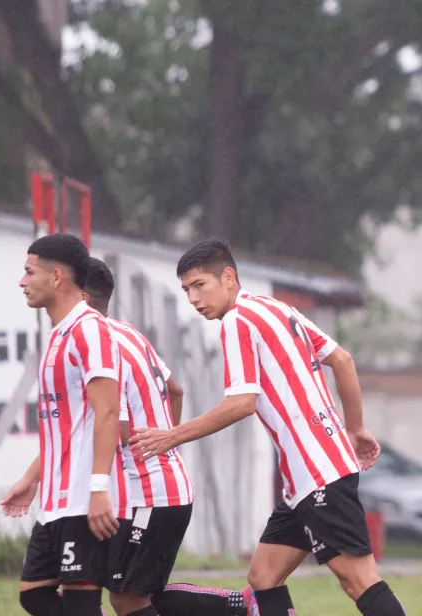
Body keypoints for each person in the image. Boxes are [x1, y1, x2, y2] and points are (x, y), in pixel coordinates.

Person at [131, 239, 403, 616]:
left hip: (318, 474)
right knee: (263, 578)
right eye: (186, 290)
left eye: (199, 286)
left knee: (359, 580)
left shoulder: (237, 321)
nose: (193, 299)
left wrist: (172, 435)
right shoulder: (275, 307)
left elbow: (242, 403)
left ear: (228, 277)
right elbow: (342, 359)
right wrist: (354, 429)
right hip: (307, 477)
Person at [81, 258, 250, 616]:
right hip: (156, 488)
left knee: (129, 598)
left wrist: (151, 449)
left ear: (75, 294)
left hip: (148, 494)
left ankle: (243, 607)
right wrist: (163, 443)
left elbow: (119, 429)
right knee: (132, 592)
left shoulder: (102, 345)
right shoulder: (127, 333)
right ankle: (240, 606)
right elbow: (175, 391)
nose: (24, 283)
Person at [2, 233, 121, 616]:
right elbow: (66, 426)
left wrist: (99, 488)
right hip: (55, 500)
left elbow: (107, 412)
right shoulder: (57, 335)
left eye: (28, 271)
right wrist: (32, 478)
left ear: (56, 277)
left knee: (80, 605)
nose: (22, 281)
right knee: (34, 595)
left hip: (82, 499)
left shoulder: (90, 329)